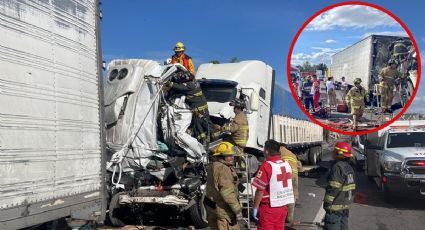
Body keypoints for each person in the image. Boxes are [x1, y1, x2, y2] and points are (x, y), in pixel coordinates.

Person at [252, 139, 295, 230]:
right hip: (283, 207)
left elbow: (260, 190)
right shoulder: (286, 164)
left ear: (266, 151)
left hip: (269, 209)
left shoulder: (267, 166)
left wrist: (255, 207)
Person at [205, 142, 242, 230]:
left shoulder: (213, 165)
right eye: (229, 156)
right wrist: (237, 211)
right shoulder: (223, 169)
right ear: (221, 156)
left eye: (232, 155)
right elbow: (227, 193)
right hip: (224, 213)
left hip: (213, 209)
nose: (232, 158)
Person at [166, 71, 210, 144]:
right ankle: (210, 137)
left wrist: (168, 83)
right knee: (206, 124)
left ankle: (202, 143)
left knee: (198, 128)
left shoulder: (189, 86)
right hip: (204, 109)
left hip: (199, 111)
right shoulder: (195, 82)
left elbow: (178, 86)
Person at [323, 142, 356, 230]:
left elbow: (334, 187)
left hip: (335, 207)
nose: (333, 153)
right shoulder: (349, 167)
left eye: (335, 151)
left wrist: (327, 203)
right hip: (345, 205)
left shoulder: (337, 167)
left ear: (339, 153)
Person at [215, 98, 249, 168]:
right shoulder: (242, 116)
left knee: (222, 142)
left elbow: (233, 129)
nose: (233, 109)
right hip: (239, 140)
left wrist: (221, 128)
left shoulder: (239, 118)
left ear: (238, 108)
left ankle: (220, 158)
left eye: (234, 107)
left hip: (237, 142)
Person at [280, 144, 302, 228]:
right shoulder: (292, 154)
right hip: (294, 175)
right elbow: (300, 168)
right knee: (292, 195)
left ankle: (281, 216)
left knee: (283, 194)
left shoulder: (278, 152)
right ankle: (289, 217)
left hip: (284, 174)